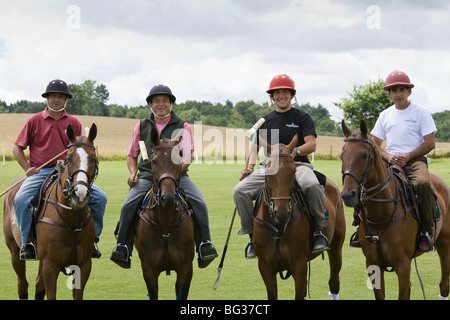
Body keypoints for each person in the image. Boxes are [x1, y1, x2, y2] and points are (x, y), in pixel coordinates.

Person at [110, 84, 218, 269]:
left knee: (199, 203)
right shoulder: (141, 126)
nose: (161, 104)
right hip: (146, 177)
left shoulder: (183, 126)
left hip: (178, 177)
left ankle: (204, 244)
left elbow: (187, 157)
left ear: (171, 104)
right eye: (157, 101)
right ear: (150, 105)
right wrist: (131, 173)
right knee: (128, 205)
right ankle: (123, 247)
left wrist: (171, 174)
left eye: (165, 101)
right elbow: (131, 155)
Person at [233, 74, 330, 258]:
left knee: (312, 185)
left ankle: (318, 231)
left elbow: (311, 144)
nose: (281, 96)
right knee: (240, 191)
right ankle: (251, 235)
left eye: (285, 92)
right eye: (277, 93)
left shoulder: (302, 117)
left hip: (298, 165)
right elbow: (254, 147)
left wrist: (295, 152)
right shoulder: (264, 121)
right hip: (269, 166)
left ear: (292, 95)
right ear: (272, 97)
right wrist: (249, 167)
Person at [13, 79, 107, 260]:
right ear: (47, 98)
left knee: (100, 199)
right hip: (40, 173)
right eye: (53, 96)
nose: (56, 99)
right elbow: (17, 148)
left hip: (69, 173)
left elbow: (79, 150)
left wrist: (67, 164)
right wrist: (27, 168)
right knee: (21, 200)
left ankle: (93, 239)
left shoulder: (73, 122)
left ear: (66, 100)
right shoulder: (34, 120)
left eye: (61, 97)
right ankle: (27, 243)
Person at [369, 70, 437, 252]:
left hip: (414, 160)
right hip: (390, 160)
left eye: (401, 89)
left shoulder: (421, 112)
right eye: (394, 90)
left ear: (409, 92)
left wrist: (407, 157)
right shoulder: (385, 115)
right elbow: (374, 143)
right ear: (389, 94)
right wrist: (388, 156)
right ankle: (362, 228)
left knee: (422, 183)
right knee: (365, 181)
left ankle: (425, 230)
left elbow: (430, 142)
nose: (398, 94)